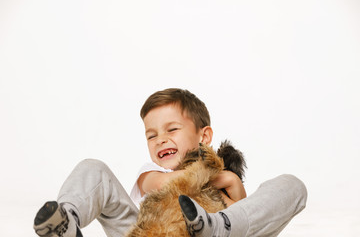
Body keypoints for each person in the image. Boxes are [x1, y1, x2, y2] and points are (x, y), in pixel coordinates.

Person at [33, 88, 307, 237]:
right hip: (144, 233)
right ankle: (65, 222)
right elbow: (169, 185)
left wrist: (234, 184)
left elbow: (248, 218)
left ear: (204, 136)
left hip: (216, 230)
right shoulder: (153, 172)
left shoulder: (224, 178)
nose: (160, 140)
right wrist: (221, 179)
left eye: (171, 129)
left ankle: (213, 229)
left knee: (292, 186)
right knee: (94, 168)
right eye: (151, 135)